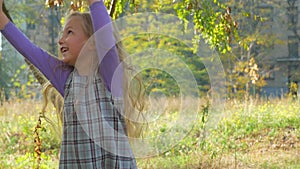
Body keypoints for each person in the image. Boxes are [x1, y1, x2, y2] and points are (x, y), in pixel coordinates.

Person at [0, 0, 142, 168]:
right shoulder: (66, 79)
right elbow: (30, 50)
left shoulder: (110, 75)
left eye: (69, 32)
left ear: (92, 42)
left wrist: (95, 3)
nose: (61, 40)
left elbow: (105, 35)